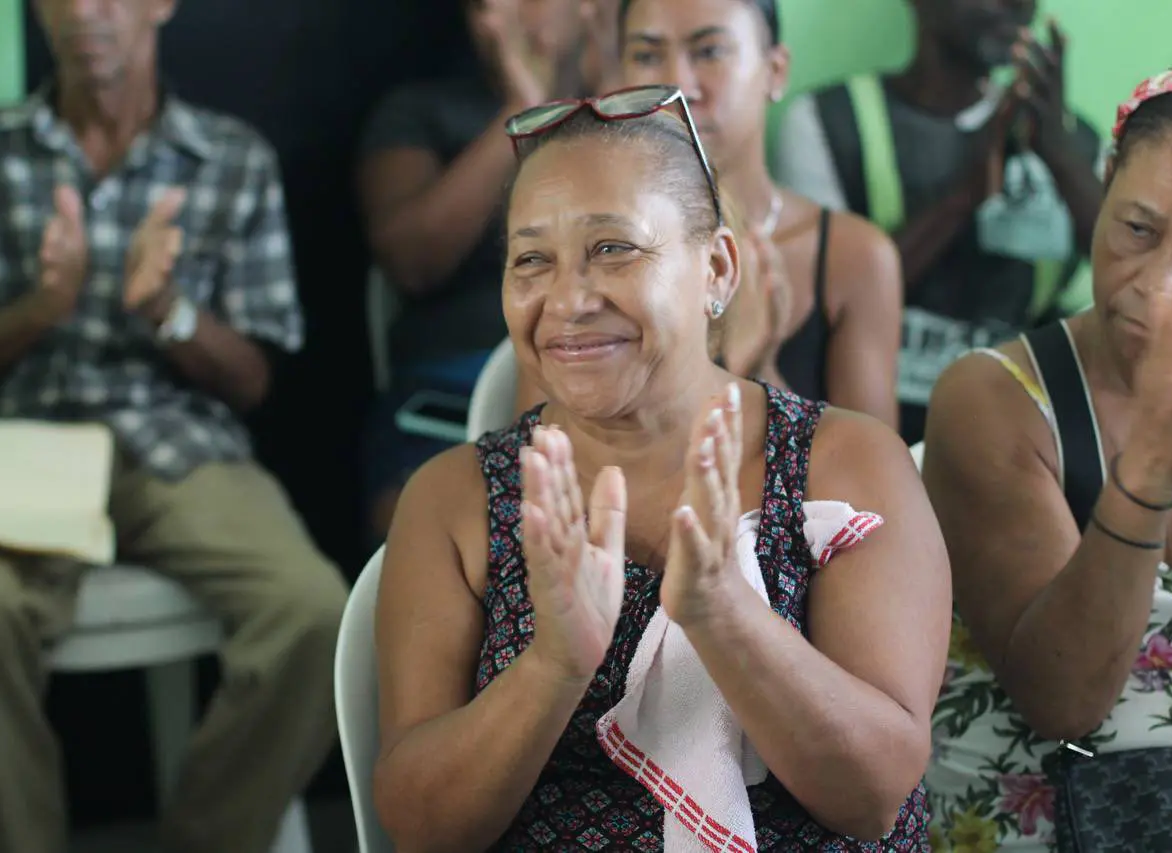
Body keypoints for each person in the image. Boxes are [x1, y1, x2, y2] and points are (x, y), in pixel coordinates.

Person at [373, 86, 950, 851]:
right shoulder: (456, 499)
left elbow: (876, 796)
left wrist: (723, 614)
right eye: (531, 260)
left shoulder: (841, 462)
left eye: (614, 248)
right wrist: (553, 665)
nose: (569, 299)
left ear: (716, 268)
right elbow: (419, 828)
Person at [0, 2, 347, 852]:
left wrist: (168, 309)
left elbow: (254, 380)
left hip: (179, 446)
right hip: (19, 447)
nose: (84, 14)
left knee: (312, 609)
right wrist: (42, 309)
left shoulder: (230, 157)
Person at [922, 71, 1172, 851]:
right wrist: (1153, 459)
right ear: (1103, 183)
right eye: (1138, 229)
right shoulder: (995, 399)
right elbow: (1065, 697)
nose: (1160, 286)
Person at [773, 0, 1104, 446]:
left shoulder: (1074, 142)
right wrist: (961, 198)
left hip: (1021, 442)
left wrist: (1062, 158)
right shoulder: (828, 123)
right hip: (875, 438)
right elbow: (820, 306)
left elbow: (1131, 275)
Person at [357, 0, 587, 543]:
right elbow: (411, 261)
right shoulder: (417, 113)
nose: (493, 21)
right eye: (481, 5)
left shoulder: (624, 115)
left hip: (597, 387)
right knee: (426, 538)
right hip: (446, 402)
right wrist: (523, 110)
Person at [617, 0, 903, 428]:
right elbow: (537, 464)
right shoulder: (586, 253)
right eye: (646, 56)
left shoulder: (854, 258)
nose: (678, 85)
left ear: (775, 71)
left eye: (709, 51)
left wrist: (758, 370)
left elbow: (875, 484)